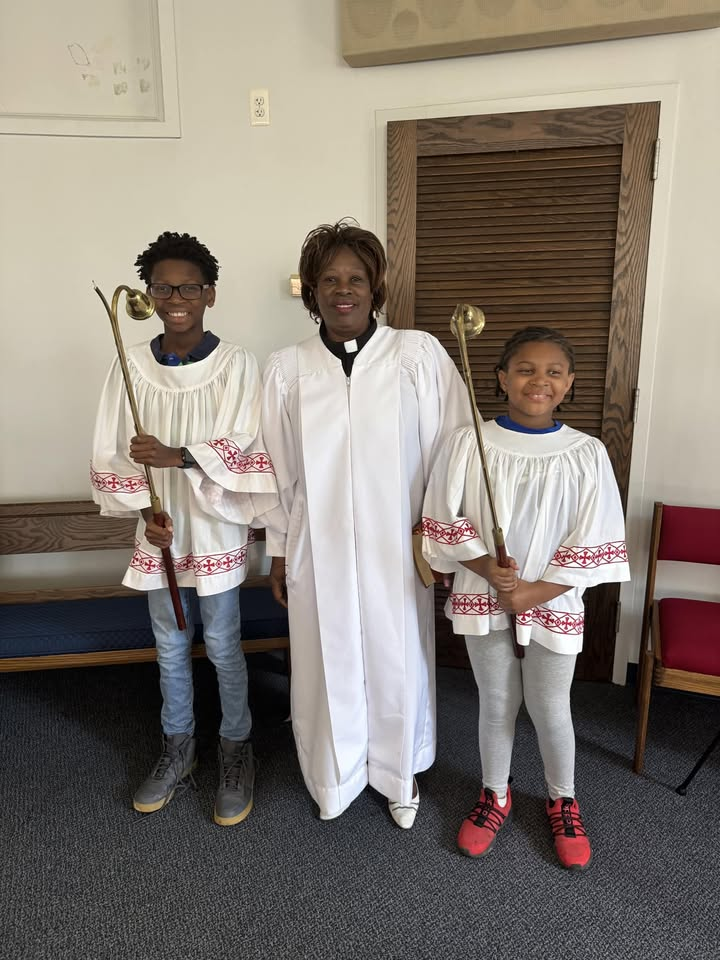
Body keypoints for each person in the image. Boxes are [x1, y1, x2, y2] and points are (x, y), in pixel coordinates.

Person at [260, 220, 469, 827]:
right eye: (329, 279)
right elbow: (275, 470)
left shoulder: (417, 356)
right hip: (315, 545)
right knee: (325, 659)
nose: (342, 290)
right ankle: (335, 774)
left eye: (355, 278)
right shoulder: (286, 370)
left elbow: (452, 452)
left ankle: (398, 775)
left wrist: (441, 544)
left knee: (394, 653)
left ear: (376, 288)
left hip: (397, 546)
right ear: (312, 292)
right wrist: (278, 548)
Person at [421, 325, 630, 870]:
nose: (539, 380)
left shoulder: (587, 453)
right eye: (525, 369)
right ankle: (496, 793)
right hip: (484, 591)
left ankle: (562, 798)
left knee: (549, 706)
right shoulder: (470, 442)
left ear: (569, 384)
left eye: (553, 371)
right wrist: (488, 568)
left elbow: (595, 535)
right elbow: (443, 518)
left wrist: (536, 590)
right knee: (497, 703)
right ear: (501, 379)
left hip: (555, 597)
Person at [91, 231, 277, 826]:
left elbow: (246, 442)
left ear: (210, 294)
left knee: (223, 645)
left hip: (214, 525)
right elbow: (113, 450)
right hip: (163, 529)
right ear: (147, 294)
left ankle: (235, 748)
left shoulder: (235, 364)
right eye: (164, 287)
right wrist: (146, 513)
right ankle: (179, 748)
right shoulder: (131, 367)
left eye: (189, 287)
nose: (177, 297)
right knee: (171, 646)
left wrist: (176, 456)